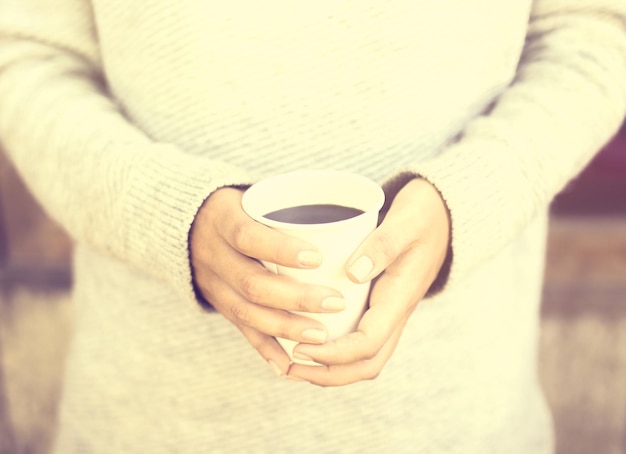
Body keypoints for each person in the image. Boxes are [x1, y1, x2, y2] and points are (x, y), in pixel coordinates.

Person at [0, 1, 624, 452]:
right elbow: (25, 57)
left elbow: (594, 32)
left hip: (455, 419)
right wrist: (166, 211)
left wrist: (471, 194)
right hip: (150, 424)